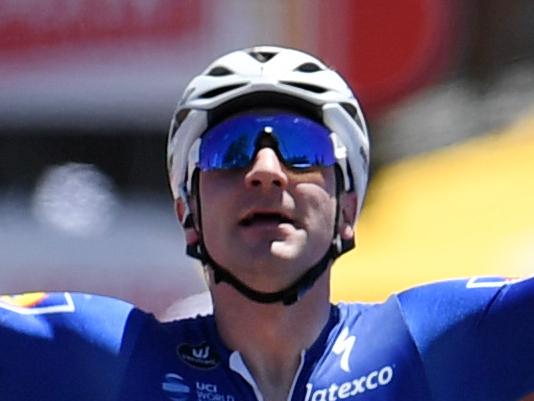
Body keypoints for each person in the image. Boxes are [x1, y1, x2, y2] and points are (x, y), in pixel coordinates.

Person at [0, 45, 533, 401]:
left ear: (347, 208)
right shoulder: (115, 355)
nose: (265, 173)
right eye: (229, 153)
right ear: (189, 215)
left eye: (302, 151)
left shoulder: (423, 341)